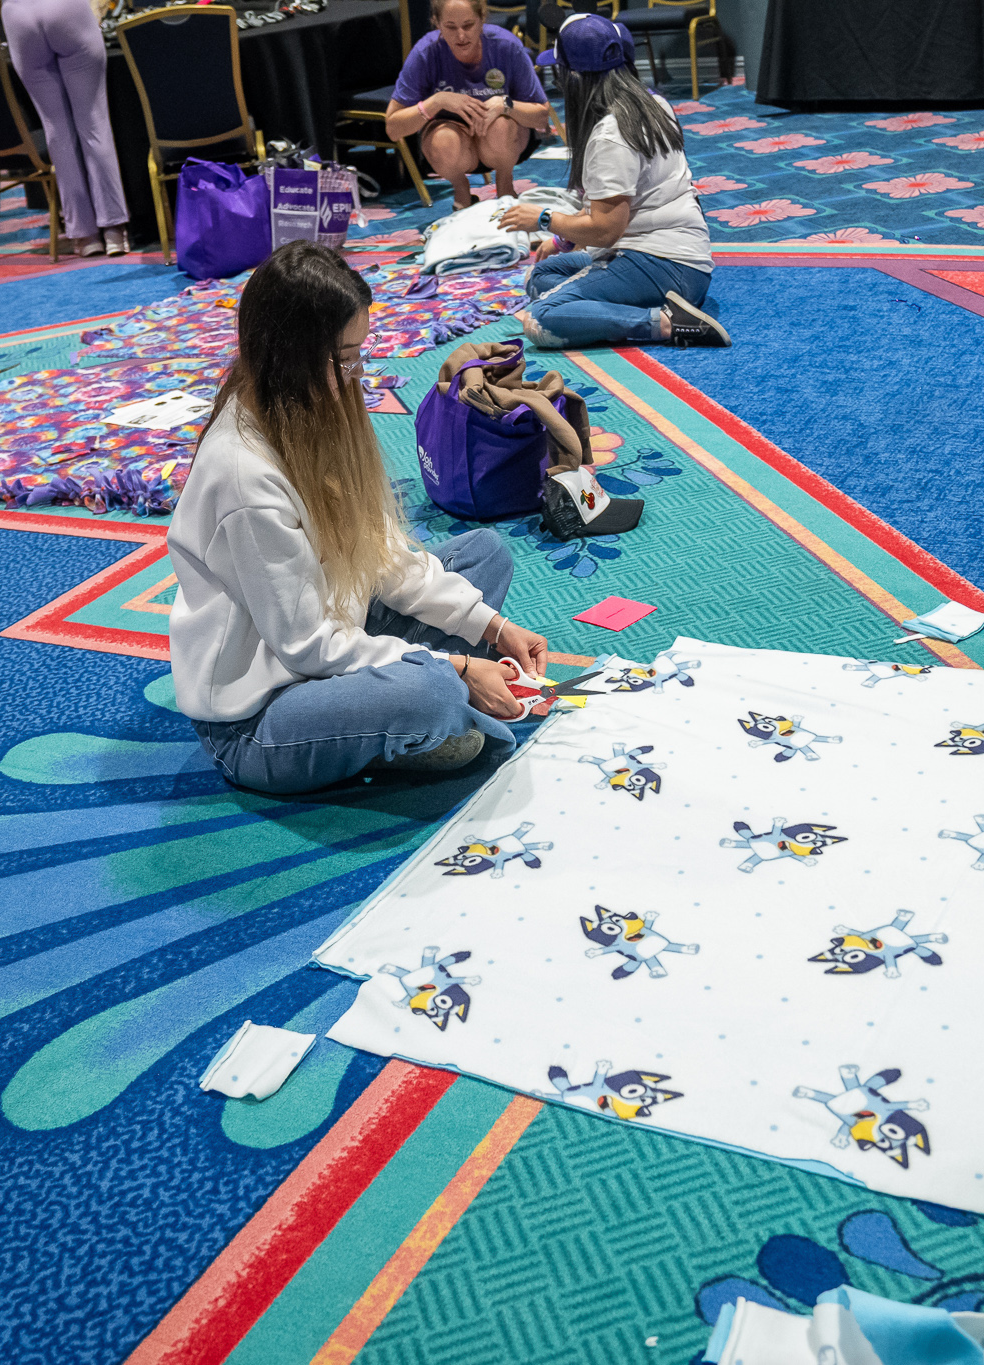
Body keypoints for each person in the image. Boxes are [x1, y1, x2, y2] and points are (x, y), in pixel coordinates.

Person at [167, 242, 549, 792]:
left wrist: (492, 626)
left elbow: (381, 554)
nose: (356, 374)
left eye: (358, 353)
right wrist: (458, 669)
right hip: (260, 716)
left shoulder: (303, 410)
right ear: (289, 355)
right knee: (435, 693)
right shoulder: (243, 477)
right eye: (343, 358)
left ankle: (395, 723)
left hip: (334, 635)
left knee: (483, 555)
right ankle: (403, 723)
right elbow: (308, 647)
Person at [495, 12, 727, 349]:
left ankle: (666, 323)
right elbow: (610, 209)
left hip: (662, 264)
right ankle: (616, 307)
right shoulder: (654, 101)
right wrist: (563, 241)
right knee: (540, 277)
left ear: (574, 78)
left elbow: (606, 230)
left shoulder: (611, 134)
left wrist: (545, 219)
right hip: (680, 263)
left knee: (542, 317)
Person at [385, 0, 553, 210]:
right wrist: (437, 101)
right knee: (444, 141)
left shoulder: (506, 45)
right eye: (451, 27)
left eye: (468, 25)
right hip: (452, 139)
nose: (461, 36)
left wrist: (505, 104)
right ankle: (461, 188)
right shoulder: (425, 52)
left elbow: (541, 116)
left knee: (500, 126)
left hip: (504, 140)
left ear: (482, 18)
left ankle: (505, 183)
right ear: (436, 23)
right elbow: (393, 128)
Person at [0, 0, 130, 256]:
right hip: (65, 8)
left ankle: (84, 235)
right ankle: (114, 231)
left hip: (18, 14)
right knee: (94, 124)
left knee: (57, 131)